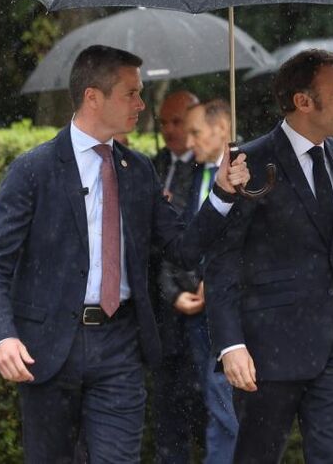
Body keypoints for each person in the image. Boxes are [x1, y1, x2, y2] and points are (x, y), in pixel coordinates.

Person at [0, 45, 249, 463]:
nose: (141, 104)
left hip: (119, 345)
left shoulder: (138, 170)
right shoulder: (34, 169)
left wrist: (224, 193)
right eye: (131, 93)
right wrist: (2, 337)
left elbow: (184, 246)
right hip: (47, 350)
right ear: (92, 97)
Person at [205, 49, 333, 463]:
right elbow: (221, 260)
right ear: (302, 101)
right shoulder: (249, 162)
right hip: (267, 349)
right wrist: (230, 344)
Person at [180, 99, 239, 463]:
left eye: (195, 132)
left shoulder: (248, 171)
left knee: (227, 405)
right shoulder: (193, 174)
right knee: (213, 403)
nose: (189, 142)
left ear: (222, 129)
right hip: (196, 313)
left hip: (232, 312)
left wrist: (217, 281)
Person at [150, 88, 205, 463]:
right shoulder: (149, 166)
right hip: (158, 307)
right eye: (163, 123)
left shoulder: (208, 169)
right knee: (166, 405)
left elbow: (196, 236)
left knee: (205, 404)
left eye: (177, 121)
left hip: (200, 301)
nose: (169, 130)